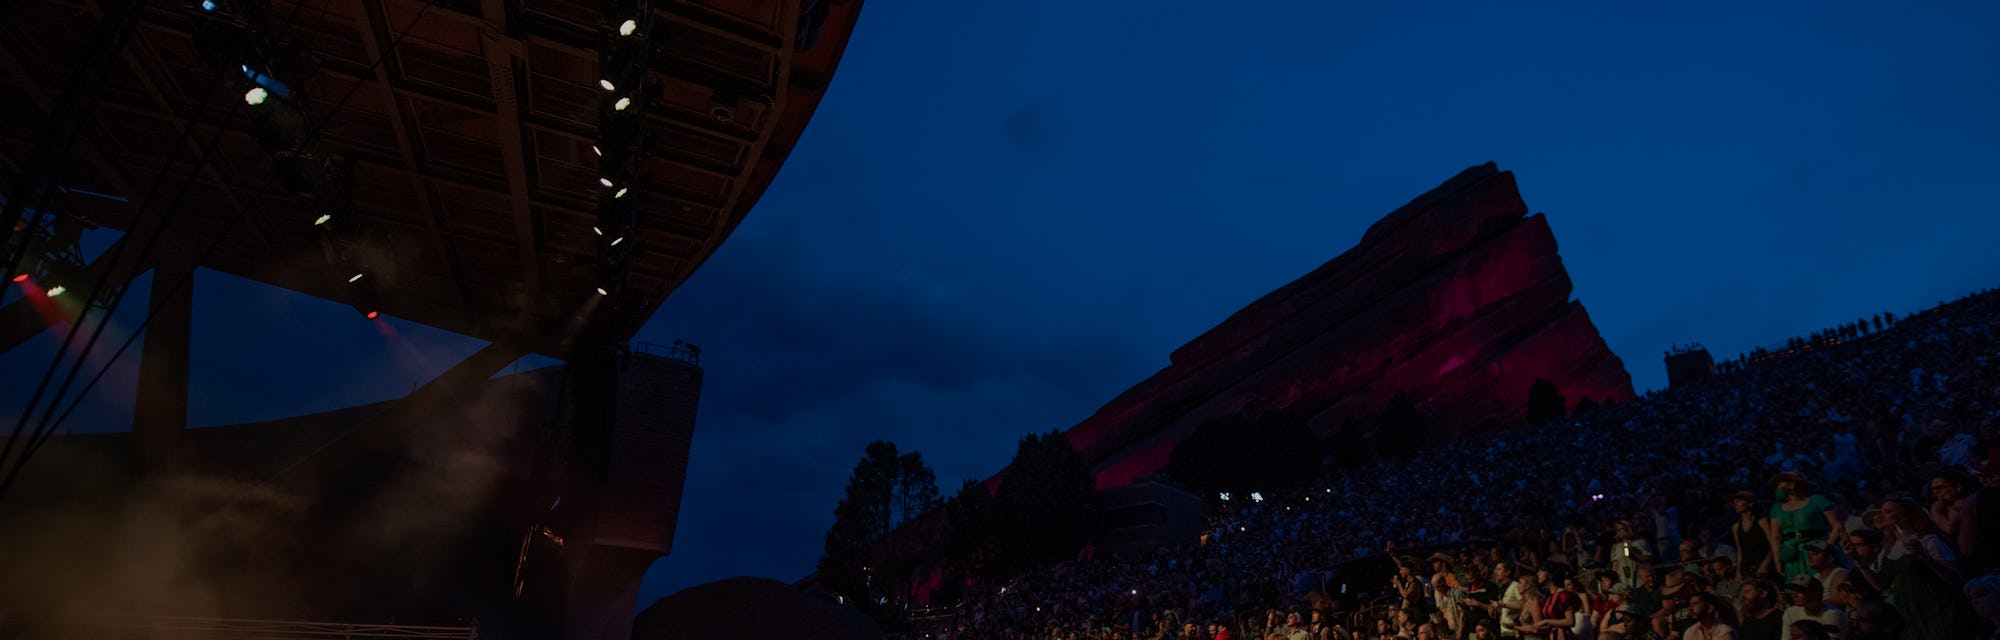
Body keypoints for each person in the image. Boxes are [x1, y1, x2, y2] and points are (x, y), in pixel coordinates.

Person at [1767, 473, 1842, 581]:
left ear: (1791, 484)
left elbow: (1837, 526)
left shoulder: (1817, 500)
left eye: (1779, 485)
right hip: (1792, 555)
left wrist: (1826, 548)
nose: (1777, 489)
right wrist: (1777, 560)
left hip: (1817, 551)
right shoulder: (1777, 508)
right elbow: (1776, 537)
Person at [1778, 576, 1846, 640]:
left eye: (1800, 591)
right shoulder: (1790, 612)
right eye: (1793, 591)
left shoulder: (1833, 614)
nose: (1794, 595)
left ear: (1816, 594)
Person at [1730, 491, 1778, 580]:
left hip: (1763, 566)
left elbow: (1774, 545)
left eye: (1739, 501)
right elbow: (1740, 550)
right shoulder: (1736, 527)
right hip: (1747, 567)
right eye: (1734, 502)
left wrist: (1765, 564)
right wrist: (1738, 571)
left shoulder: (1762, 522)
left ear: (1750, 503)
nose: (1735, 504)